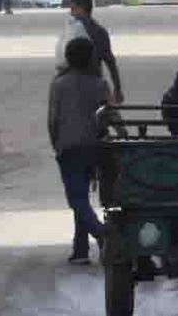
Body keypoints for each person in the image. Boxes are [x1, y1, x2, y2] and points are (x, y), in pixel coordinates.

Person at [48, 36, 109, 265]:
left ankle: (101, 233)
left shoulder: (59, 84)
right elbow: (109, 115)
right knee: (81, 195)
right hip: (94, 146)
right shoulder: (100, 83)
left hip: (69, 146)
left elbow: (53, 119)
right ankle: (80, 249)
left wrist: (56, 143)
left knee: (77, 198)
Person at [53, 0, 123, 103]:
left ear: (82, 9)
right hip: (90, 82)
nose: (71, 13)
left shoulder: (95, 32)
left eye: (73, 9)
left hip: (80, 82)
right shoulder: (94, 31)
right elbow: (110, 62)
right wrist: (117, 88)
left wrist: (117, 89)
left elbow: (110, 61)